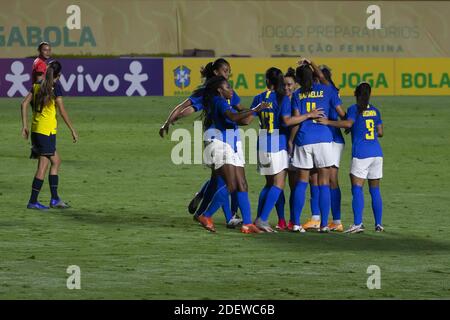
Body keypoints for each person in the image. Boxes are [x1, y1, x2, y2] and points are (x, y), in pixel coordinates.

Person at [194, 76, 267, 233]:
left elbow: (240, 120)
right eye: (228, 87)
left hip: (230, 144)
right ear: (220, 90)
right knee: (231, 184)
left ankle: (247, 224)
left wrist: (252, 113)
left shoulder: (225, 103)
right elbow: (233, 117)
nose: (231, 90)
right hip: (219, 143)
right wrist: (254, 110)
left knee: (242, 184)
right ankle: (205, 215)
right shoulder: (219, 102)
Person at [317, 82, 384, 233]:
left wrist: (328, 122)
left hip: (362, 154)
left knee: (357, 188)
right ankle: (378, 224)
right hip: (377, 153)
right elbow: (380, 132)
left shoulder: (354, 109)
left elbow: (348, 123)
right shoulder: (375, 111)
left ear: (356, 94)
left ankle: (358, 223)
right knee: (375, 190)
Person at [290, 59, 343, 233]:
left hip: (304, 140)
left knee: (302, 182)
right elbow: (322, 75)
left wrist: (292, 140)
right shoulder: (326, 90)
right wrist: (311, 61)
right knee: (324, 182)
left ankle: (296, 223)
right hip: (323, 138)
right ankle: (323, 225)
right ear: (315, 76)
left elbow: (297, 121)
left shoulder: (297, 95)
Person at [20, 61, 78, 210]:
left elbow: (24, 104)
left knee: (56, 161)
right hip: (46, 132)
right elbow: (62, 111)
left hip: (37, 130)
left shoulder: (38, 84)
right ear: (59, 75)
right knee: (43, 166)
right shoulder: (54, 87)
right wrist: (72, 129)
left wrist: (25, 126)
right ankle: (33, 201)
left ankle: (54, 199)